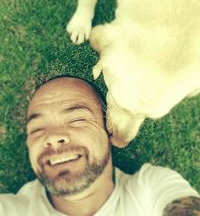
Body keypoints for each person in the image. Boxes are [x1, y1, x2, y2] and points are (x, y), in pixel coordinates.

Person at [0, 76, 199, 216]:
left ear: (111, 132)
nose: (52, 137)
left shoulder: (150, 188)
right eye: (37, 129)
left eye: (77, 119)